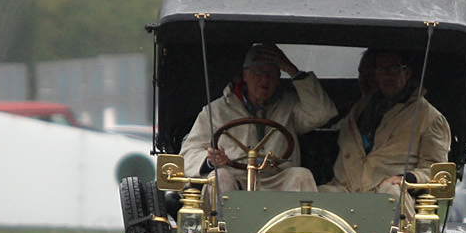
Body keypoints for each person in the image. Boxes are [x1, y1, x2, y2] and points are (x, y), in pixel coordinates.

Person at [180, 42, 337, 196]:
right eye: (259, 72)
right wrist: (211, 160)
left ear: (279, 78)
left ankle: (300, 223)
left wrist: (293, 71)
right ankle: (221, 222)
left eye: (271, 73)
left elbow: (322, 113)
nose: (265, 80)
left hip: (274, 179)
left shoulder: (288, 105)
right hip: (234, 178)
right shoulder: (216, 110)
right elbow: (187, 155)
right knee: (219, 178)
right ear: (245, 75)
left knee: (300, 175)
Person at [324, 48, 451, 193]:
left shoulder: (429, 117)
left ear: (407, 73)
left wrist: (406, 179)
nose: (387, 76)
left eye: (394, 69)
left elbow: (436, 171)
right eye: (381, 70)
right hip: (346, 190)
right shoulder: (361, 107)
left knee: (391, 193)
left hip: (388, 193)